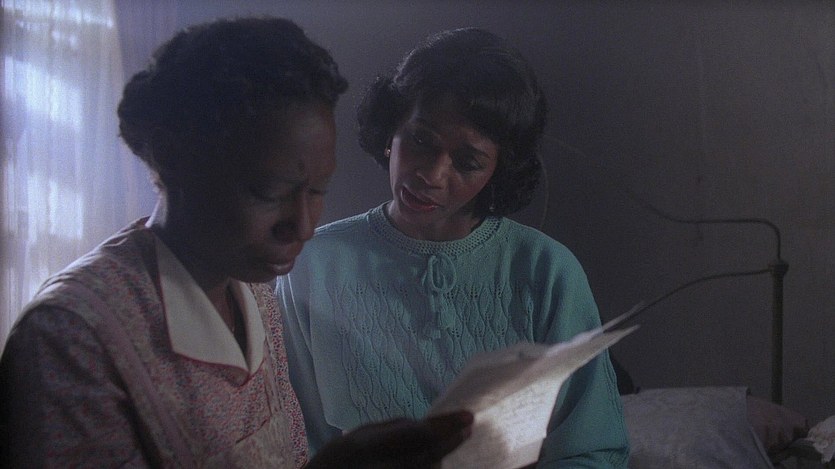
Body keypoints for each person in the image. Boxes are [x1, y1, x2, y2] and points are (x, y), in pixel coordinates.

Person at [0, 17, 472, 468]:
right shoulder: (72, 337)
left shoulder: (251, 291)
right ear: (174, 159)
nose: (303, 227)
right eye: (268, 192)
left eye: (317, 191)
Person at [276, 27, 630, 467]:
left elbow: (592, 451)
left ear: (497, 171)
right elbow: (296, 443)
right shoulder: (314, 264)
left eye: (467, 162)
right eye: (421, 140)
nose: (432, 174)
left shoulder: (546, 270)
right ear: (391, 130)